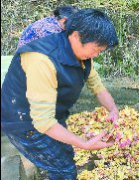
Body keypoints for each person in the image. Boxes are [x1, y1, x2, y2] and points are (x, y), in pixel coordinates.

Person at [1, 8, 119, 180]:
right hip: (22, 120)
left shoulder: (83, 54)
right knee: (64, 170)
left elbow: (97, 86)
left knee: (63, 152)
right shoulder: (41, 60)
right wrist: (84, 144)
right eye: (96, 49)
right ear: (77, 36)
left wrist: (112, 109)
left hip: (50, 113)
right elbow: (43, 122)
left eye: (100, 51)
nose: (96, 54)